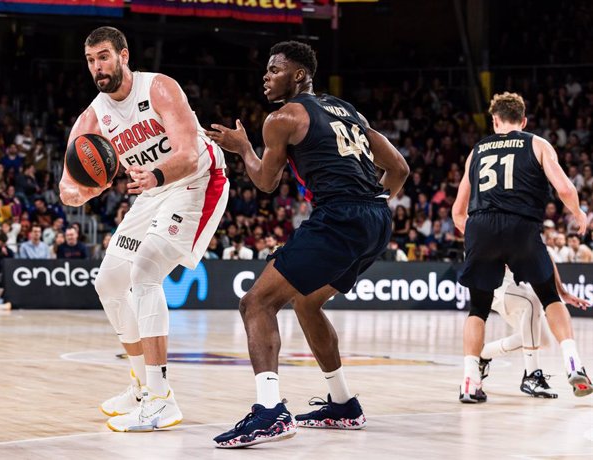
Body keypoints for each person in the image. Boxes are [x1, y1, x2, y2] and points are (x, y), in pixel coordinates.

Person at [206, 41, 408, 448]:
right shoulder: (349, 111)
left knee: (256, 303)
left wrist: (243, 148)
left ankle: (269, 413)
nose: (266, 76)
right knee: (307, 302)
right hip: (377, 219)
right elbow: (399, 168)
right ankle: (343, 403)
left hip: (340, 218)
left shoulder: (281, 118)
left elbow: (265, 182)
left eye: (274, 69)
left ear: (299, 76)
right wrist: (371, 205)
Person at [58, 27, 228, 432]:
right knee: (109, 283)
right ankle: (139, 388)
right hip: (152, 190)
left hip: (196, 181)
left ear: (123, 55)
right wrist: (82, 191)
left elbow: (188, 154)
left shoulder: (160, 89)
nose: (97, 67)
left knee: (145, 272)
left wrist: (153, 174)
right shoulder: (92, 117)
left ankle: (161, 399)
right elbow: (67, 185)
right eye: (90, 60)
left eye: (103, 57)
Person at [452, 92, 592, 403]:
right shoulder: (537, 144)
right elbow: (566, 188)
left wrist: (478, 236)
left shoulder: (476, 152)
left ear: (495, 121)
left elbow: (458, 212)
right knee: (549, 297)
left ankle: (470, 382)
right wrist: (578, 212)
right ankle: (573, 364)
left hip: (481, 226)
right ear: (524, 121)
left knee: (478, 309)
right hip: (521, 226)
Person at [479, 264, 590, 398]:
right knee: (531, 301)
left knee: (542, 340)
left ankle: (482, 354)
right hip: (492, 280)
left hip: (514, 283)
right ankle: (531, 376)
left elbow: (545, 258)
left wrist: (562, 292)